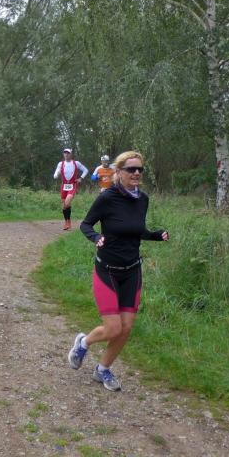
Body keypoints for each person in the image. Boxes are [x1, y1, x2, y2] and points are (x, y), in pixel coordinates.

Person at [67, 151, 168, 391]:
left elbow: (137, 230)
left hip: (132, 271)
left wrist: (156, 235)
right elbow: (86, 225)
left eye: (140, 169)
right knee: (113, 328)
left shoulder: (142, 199)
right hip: (107, 270)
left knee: (126, 328)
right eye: (131, 169)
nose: (136, 173)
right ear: (119, 172)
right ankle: (84, 342)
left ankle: (103, 369)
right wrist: (96, 237)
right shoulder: (107, 198)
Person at [53, 148, 89, 230]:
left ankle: (68, 223)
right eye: (65, 153)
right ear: (63, 154)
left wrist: (81, 178)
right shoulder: (61, 163)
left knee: (67, 202)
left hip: (72, 185)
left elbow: (85, 170)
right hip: (64, 186)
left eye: (68, 153)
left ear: (71, 154)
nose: (66, 154)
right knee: (65, 206)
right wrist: (57, 174)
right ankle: (67, 222)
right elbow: (55, 175)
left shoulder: (76, 163)